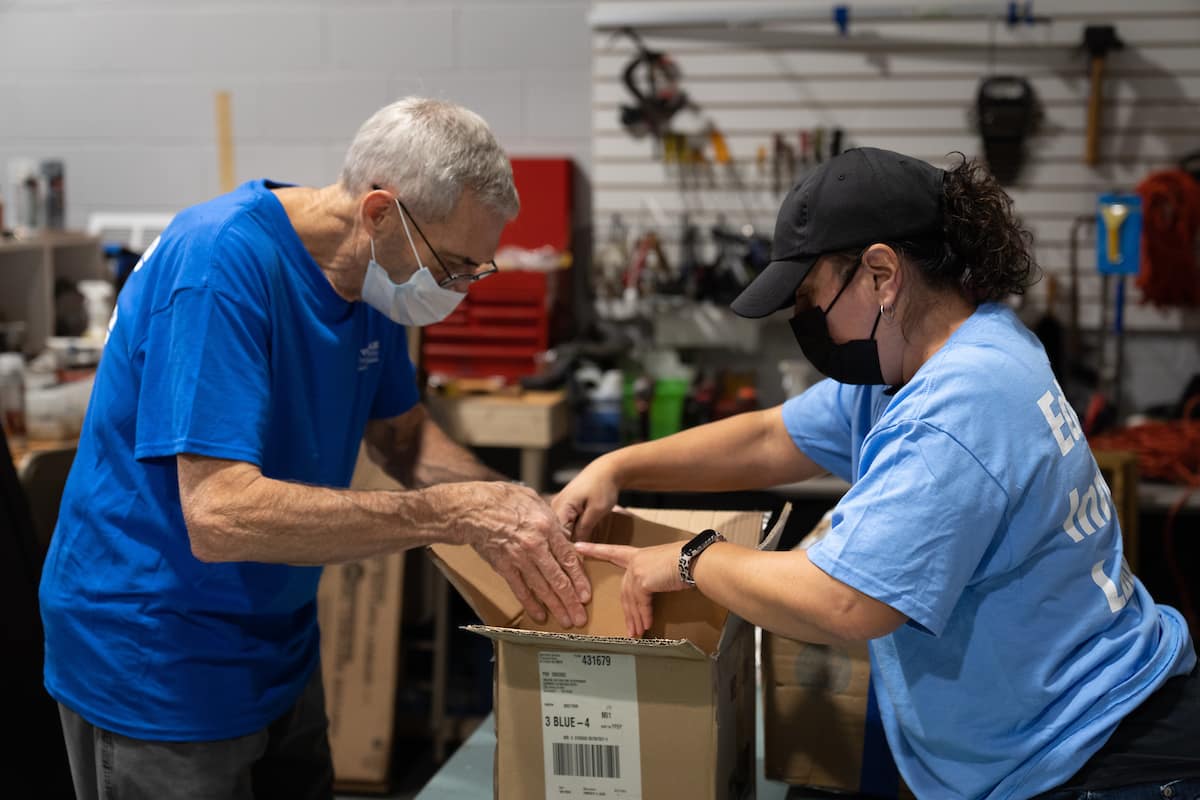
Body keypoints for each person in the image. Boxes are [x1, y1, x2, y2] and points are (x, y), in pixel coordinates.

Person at [555, 147, 1199, 799]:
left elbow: (846, 602)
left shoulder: (957, 404)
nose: (804, 319)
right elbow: (772, 436)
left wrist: (693, 559)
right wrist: (617, 466)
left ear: (881, 275)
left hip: (1101, 760)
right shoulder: (945, 351)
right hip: (1061, 734)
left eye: (810, 296)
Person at [39, 97, 591, 800]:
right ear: (379, 213)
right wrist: (449, 514)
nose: (457, 289)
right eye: (453, 265)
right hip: (158, 648)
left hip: (277, 634)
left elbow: (403, 436)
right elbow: (218, 514)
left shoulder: (373, 280)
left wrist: (516, 506)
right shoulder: (220, 263)